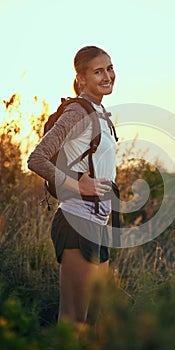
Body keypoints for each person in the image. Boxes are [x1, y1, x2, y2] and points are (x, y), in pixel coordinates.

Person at [27, 46, 118, 327]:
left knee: (93, 323)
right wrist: (78, 184)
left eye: (110, 68)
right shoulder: (77, 112)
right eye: (98, 71)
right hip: (77, 221)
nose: (107, 76)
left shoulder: (102, 113)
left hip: (98, 224)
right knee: (73, 322)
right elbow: (36, 159)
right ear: (81, 78)